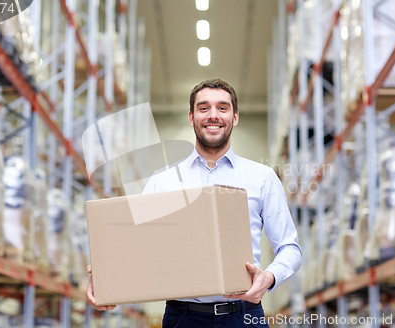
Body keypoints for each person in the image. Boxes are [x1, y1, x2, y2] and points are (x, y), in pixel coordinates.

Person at [87, 78, 302, 327]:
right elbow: (135, 248)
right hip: (182, 317)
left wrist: (270, 277)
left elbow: (290, 248)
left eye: (222, 108)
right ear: (191, 117)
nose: (213, 115)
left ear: (235, 117)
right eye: (203, 108)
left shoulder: (262, 178)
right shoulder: (163, 182)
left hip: (243, 314)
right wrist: (106, 279)